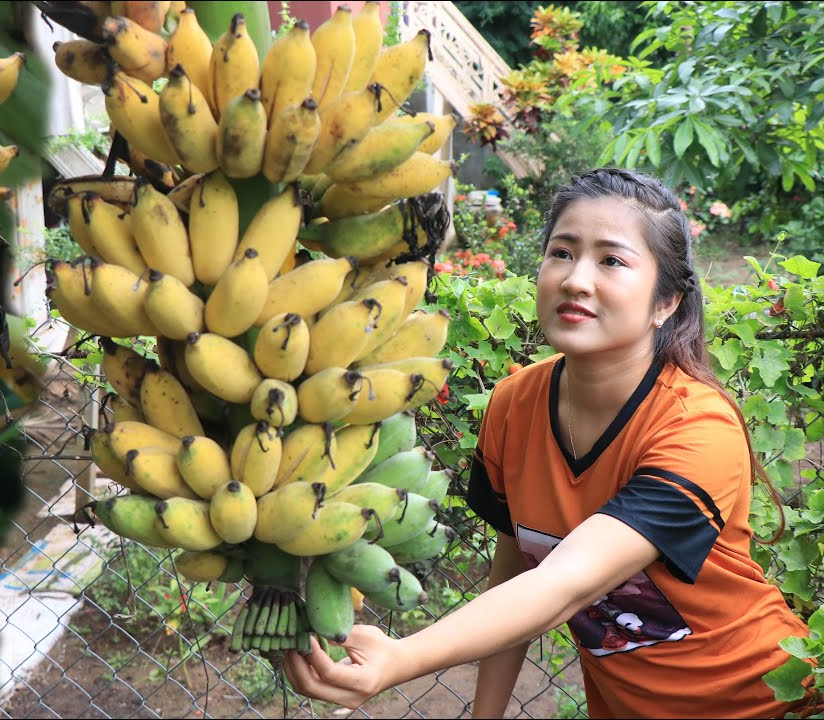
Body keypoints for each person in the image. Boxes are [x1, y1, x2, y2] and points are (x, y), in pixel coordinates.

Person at [282, 168, 813, 718]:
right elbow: (515, 577)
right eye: (562, 252)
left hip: (765, 702)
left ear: (666, 302)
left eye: (611, 260)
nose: (576, 279)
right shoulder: (515, 405)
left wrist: (403, 658)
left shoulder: (697, 428)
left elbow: (566, 582)